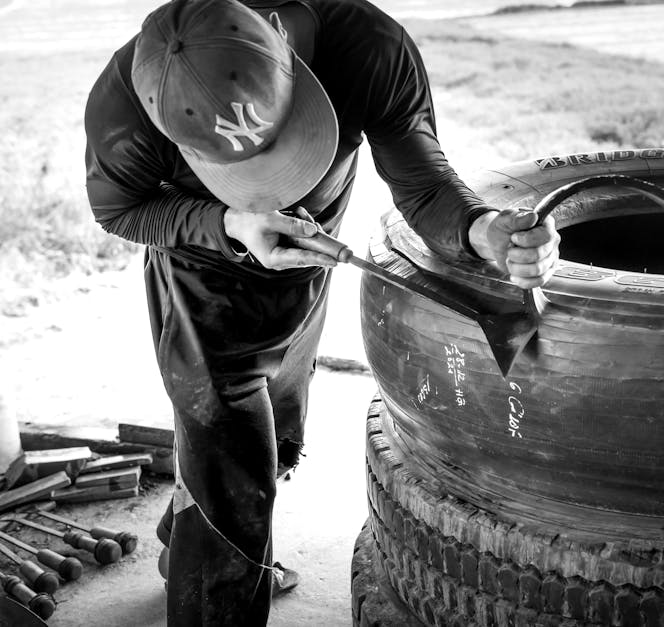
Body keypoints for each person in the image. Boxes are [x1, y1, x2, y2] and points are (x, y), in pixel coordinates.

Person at [83, 0, 560, 624]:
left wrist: (481, 228)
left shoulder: (366, 48)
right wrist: (226, 221)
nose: (271, 178)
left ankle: (187, 543)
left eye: (284, 147)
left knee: (274, 439)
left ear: (284, 42)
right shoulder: (125, 103)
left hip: (306, 263)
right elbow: (119, 209)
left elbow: (424, 183)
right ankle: (214, 582)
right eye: (243, 167)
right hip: (202, 276)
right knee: (233, 481)